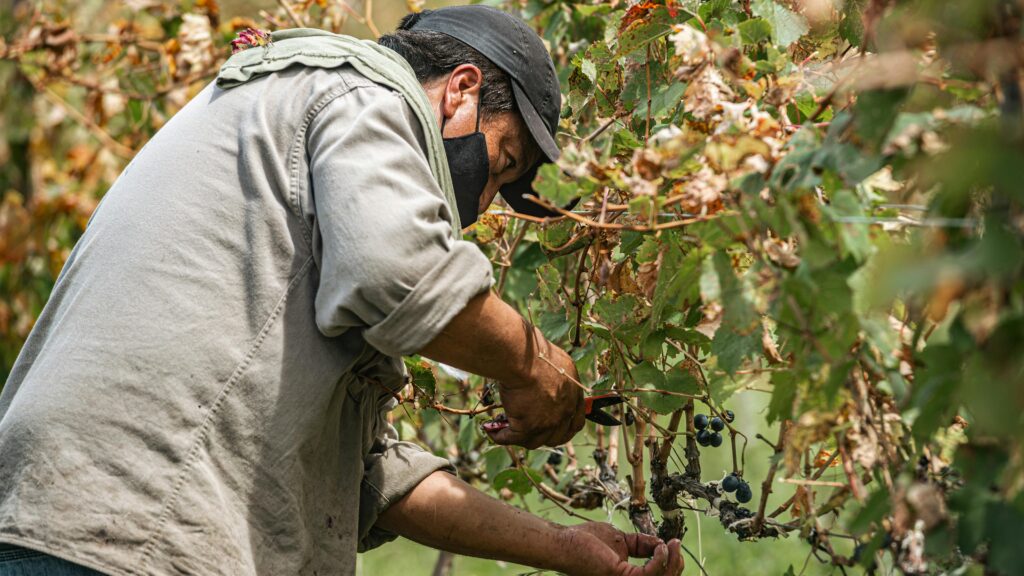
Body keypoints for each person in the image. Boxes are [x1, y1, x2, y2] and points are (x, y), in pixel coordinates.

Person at [0, 5, 683, 575]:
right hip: (130, 531)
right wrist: (532, 363)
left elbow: (364, 475)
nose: (483, 198)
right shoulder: (360, 95)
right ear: (461, 89)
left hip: (75, 520)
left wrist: (565, 549)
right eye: (501, 165)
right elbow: (402, 274)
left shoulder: (285, 133)